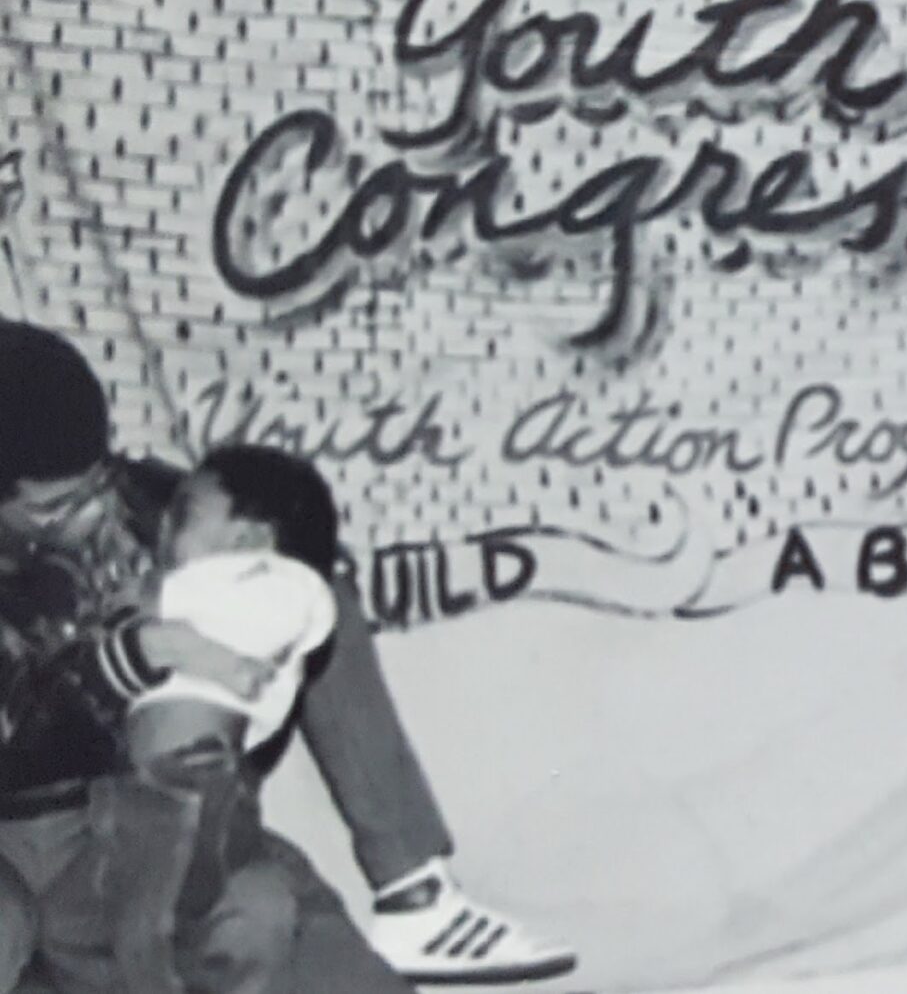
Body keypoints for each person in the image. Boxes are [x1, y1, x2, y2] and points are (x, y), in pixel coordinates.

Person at [0, 320, 579, 990]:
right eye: (55, 508)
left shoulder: (133, 499)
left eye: (99, 480)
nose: (92, 515)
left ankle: (414, 894)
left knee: (302, 581)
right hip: (33, 831)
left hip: (166, 805)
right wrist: (135, 653)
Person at [22, 445, 343, 994]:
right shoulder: (257, 604)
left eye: (184, 515)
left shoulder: (267, 587)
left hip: (183, 793)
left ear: (249, 541)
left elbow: (153, 617)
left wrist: (136, 600)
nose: (163, 530)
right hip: (155, 798)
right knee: (84, 927)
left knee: (133, 931)